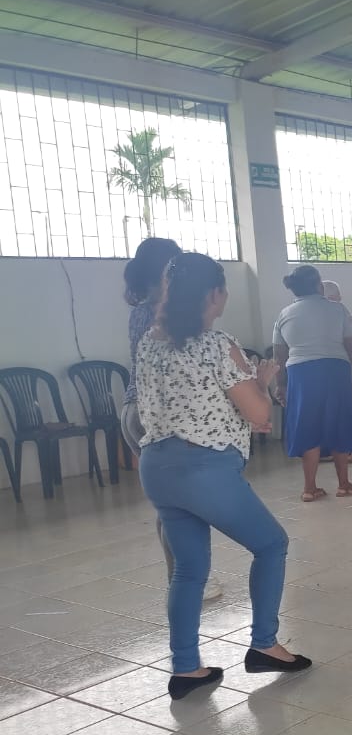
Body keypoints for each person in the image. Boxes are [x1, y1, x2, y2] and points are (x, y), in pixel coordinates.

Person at [134, 253, 310, 700]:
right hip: (203, 468)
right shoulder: (217, 344)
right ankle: (265, 644)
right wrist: (263, 381)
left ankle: (186, 668)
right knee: (270, 544)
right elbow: (258, 414)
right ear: (213, 295)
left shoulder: (150, 341)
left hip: (157, 467)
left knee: (188, 570)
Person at [119, 239, 224, 603]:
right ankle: (189, 579)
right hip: (158, 416)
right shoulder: (164, 315)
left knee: (170, 505)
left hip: (135, 411)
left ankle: (179, 576)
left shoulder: (142, 311)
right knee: (184, 505)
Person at [272, 265, 352, 501]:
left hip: (300, 373)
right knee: (339, 422)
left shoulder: (284, 314)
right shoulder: (338, 309)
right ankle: (344, 484)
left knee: (307, 425)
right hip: (335, 370)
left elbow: (279, 354)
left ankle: (309, 488)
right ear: (318, 285)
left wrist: (280, 384)